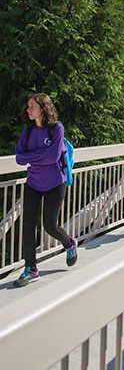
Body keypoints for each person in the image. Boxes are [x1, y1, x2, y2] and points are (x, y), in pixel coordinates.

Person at [13, 93, 77, 288]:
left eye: (32, 106)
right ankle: (31, 268)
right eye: (28, 106)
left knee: (50, 225)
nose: (28, 109)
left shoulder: (57, 129)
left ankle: (69, 243)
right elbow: (18, 158)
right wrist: (41, 155)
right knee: (28, 225)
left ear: (43, 107)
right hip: (33, 182)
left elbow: (53, 157)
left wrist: (32, 156)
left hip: (55, 182)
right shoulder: (28, 131)